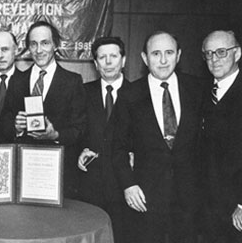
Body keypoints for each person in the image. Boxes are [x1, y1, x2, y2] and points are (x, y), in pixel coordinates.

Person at [112, 31, 203, 243]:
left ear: (179, 55)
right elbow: (117, 147)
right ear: (144, 58)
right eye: (156, 54)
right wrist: (128, 185)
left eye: (169, 52)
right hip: (145, 198)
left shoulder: (198, 89)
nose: (163, 60)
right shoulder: (129, 95)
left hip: (189, 199)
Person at [1, 21, 86, 198]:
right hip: (23, 169)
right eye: (33, 44)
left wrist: (55, 135)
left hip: (58, 171)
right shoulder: (16, 80)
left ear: (55, 45)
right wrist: (15, 127)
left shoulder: (72, 81)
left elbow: (80, 129)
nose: (39, 50)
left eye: (45, 43)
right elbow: (4, 122)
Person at [76, 36, 129, 243]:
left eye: (113, 56)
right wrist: (81, 150)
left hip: (124, 187)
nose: (108, 62)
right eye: (102, 57)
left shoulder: (138, 93)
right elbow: (76, 131)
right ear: (96, 64)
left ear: (123, 60)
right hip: (91, 186)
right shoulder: (82, 92)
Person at [201, 30, 242, 242]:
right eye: (208, 54)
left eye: (221, 52)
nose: (214, 59)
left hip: (237, 210)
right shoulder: (202, 93)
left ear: (237, 53)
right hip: (207, 209)